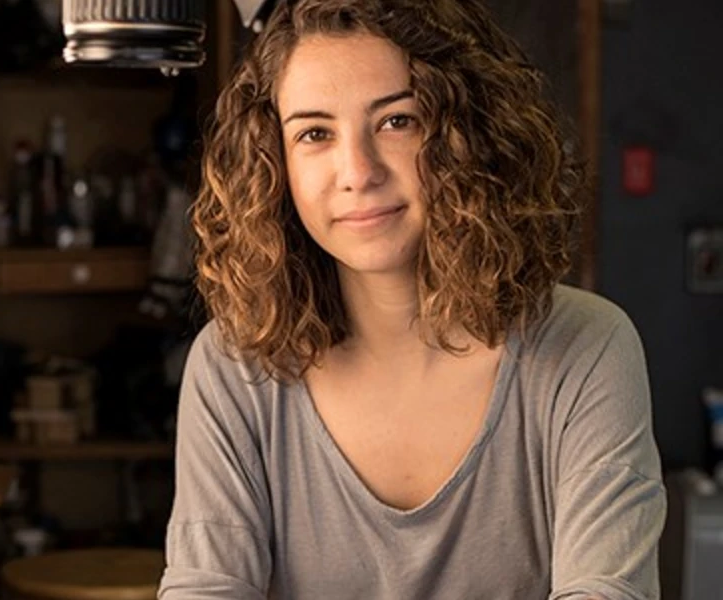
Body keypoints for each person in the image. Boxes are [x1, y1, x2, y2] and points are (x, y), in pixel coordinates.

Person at [158, 0, 666, 598]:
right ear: (274, 163)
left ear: (471, 132)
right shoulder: (233, 367)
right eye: (315, 134)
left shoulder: (587, 348)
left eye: (398, 121)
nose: (357, 171)